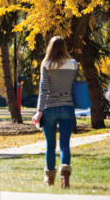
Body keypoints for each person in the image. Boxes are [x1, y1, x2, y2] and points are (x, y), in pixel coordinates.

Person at [32, 36, 77, 189]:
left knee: (50, 145)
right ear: (64, 47)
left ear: (50, 48)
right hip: (67, 108)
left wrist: (39, 111)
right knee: (65, 144)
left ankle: (49, 180)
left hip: (50, 109)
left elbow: (43, 90)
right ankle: (65, 179)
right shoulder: (73, 64)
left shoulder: (46, 64)